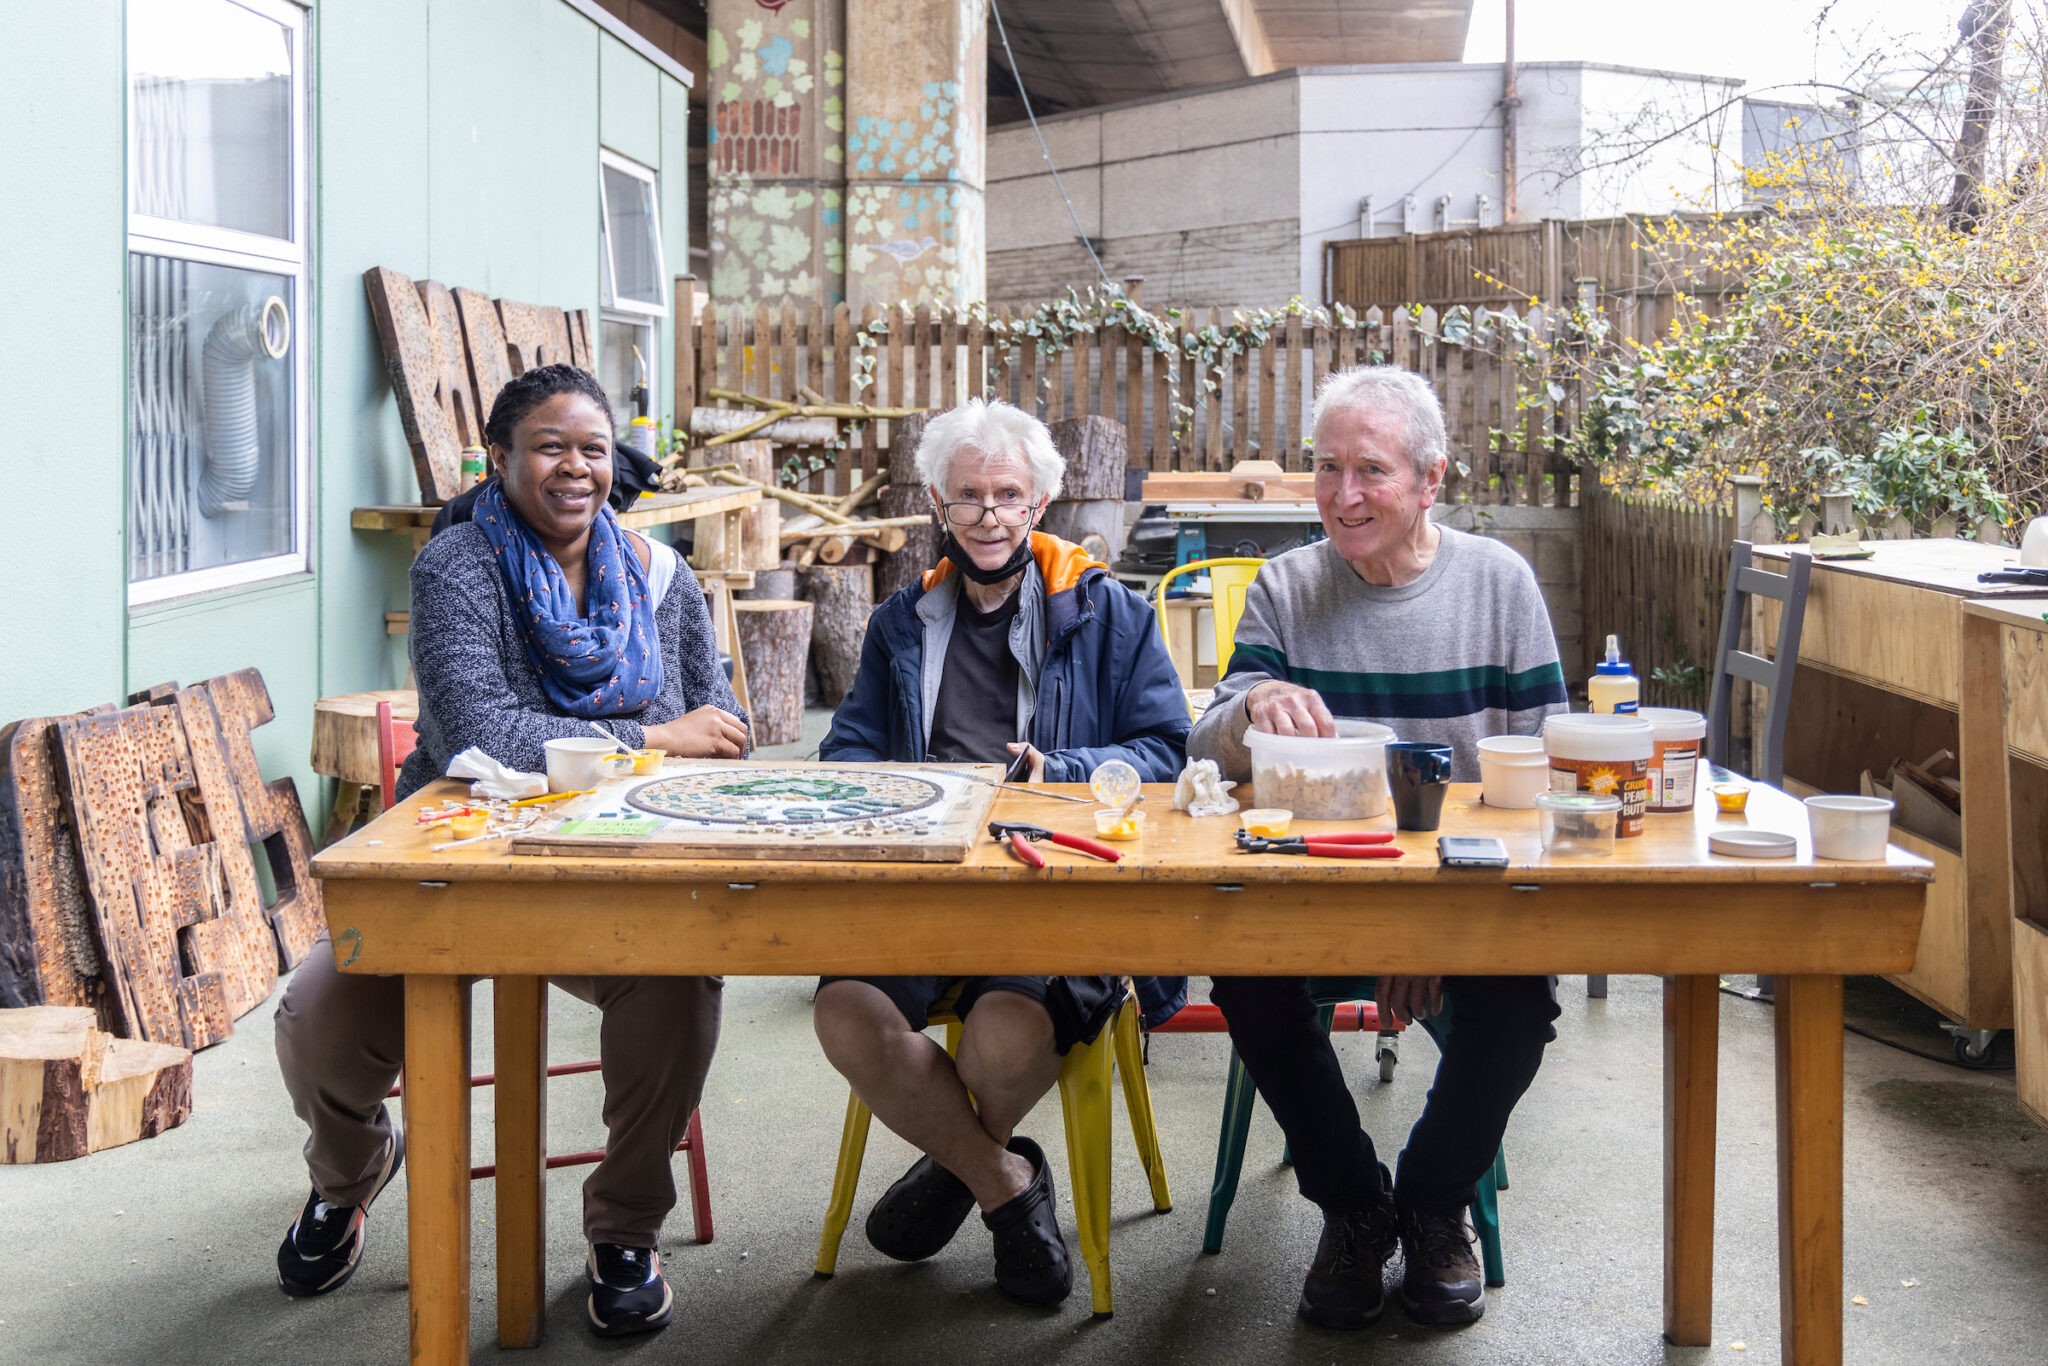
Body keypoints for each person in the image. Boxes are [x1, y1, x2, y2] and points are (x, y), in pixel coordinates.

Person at [272, 365, 749, 1338]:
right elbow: (477, 731)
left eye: (593, 449)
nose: (574, 467)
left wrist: (681, 737)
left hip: (612, 862)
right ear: (499, 458)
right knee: (317, 1014)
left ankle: (623, 1228)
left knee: (678, 981)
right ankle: (349, 1169)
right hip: (456, 854)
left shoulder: (659, 579)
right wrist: (654, 736)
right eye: (549, 445)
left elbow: (725, 724)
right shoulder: (460, 565)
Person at [1187, 365, 1568, 1331]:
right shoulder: (1285, 586)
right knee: (1245, 981)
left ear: (1430, 480)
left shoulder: (1498, 585)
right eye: (1327, 469)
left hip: (1463, 900)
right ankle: (1354, 1206)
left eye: (1372, 471)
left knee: (1520, 1002)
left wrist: (1430, 930)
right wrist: (1250, 706)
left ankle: (1434, 1204)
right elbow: (1206, 745)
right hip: (1313, 899)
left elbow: (1544, 782)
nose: (1344, 497)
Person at [814, 398, 1189, 1307]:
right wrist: (900, 789)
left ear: (1042, 504)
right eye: (970, 496)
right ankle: (1006, 1182)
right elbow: (846, 755)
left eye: (1009, 496)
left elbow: (1167, 750)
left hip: (1050, 898)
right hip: (925, 895)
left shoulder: (1109, 614)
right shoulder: (903, 622)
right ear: (940, 507)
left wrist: (1055, 768)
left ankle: (955, 1168)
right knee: (845, 1013)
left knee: (1007, 1030)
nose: (990, 515)